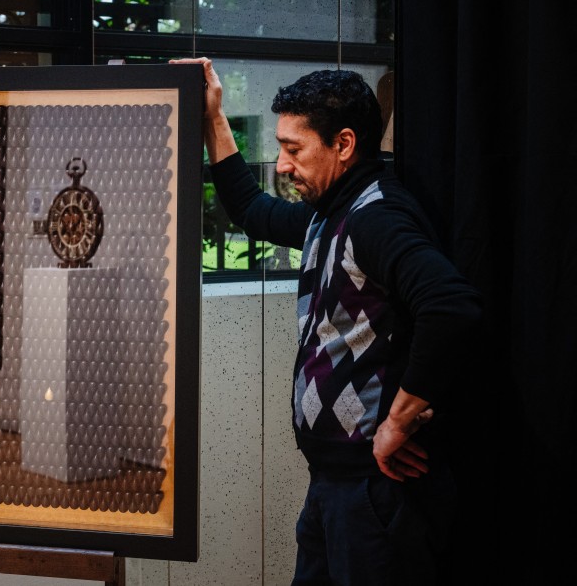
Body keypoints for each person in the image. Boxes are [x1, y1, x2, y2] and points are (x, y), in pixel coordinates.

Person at [174, 58, 481, 585]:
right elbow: (252, 211)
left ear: (343, 144)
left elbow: (451, 308)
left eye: (294, 150)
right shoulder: (331, 210)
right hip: (332, 485)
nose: (282, 165)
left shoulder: (374, 217)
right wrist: (213, 117)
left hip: (374, 493)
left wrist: (397, 423)